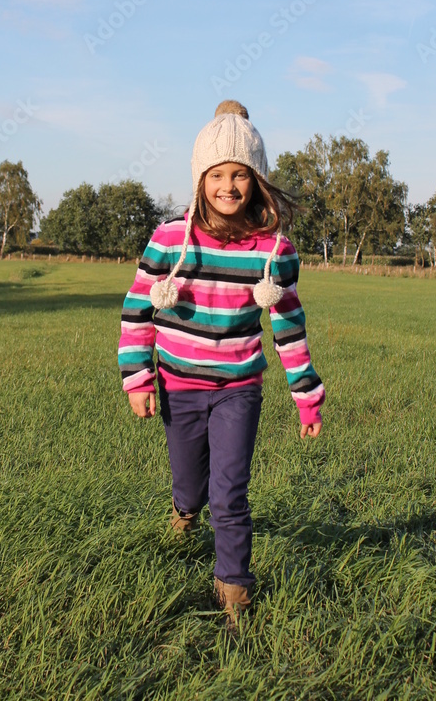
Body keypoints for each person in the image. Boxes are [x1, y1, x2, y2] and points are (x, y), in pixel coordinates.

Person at [118, 100, 325, 627]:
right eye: (217, 174)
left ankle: (234, 586)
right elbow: (138, 309)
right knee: (190, 486)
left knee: (229, 491)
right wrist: (138, 379)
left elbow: (289, 327)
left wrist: (307, 398)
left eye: (240, 174)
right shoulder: (169, 237)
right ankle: (184, 510)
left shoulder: (273, 250)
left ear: (256, 180)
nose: (228, 186)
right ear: (199, 178)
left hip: (239, 388)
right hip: (179, 386)